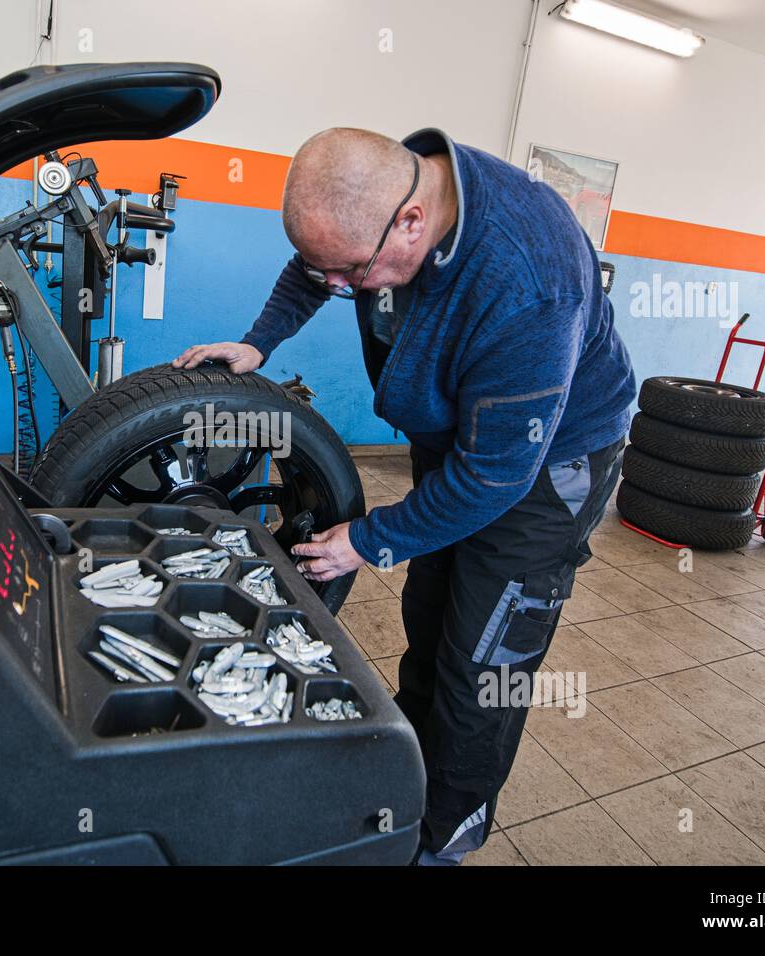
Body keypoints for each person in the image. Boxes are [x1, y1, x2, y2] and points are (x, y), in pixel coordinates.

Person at [173, 127, 636, 864]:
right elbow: (315, 268)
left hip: (548, 465)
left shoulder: (529, 280)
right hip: (463, 430)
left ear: (411, 222)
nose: (342, 289)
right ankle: (408, 782)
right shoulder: (386, 201)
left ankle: (440, 839)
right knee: (433, 615)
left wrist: (367, 538)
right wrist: (261, 341)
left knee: (485, 665)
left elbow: (494, 476)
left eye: (353, 274)